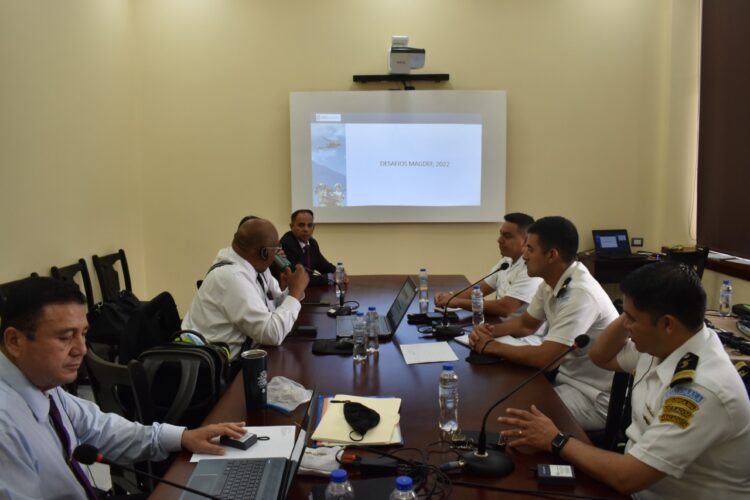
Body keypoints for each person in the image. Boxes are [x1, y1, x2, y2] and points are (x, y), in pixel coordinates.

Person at [496, 262, 750, 498]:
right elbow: (600, 356)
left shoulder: (700, 388)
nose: (625, 325)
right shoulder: (665, 344)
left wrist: (556, 439)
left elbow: (628, 477)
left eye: (632, 319)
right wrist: (634, 309)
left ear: (667, 324)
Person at [0, 277, 246, 499]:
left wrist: (183, 437)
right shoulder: (5, 428)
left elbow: (102, 429)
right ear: (14, 341)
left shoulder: (41, 382)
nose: (81, 349)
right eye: (65, 338)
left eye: (83, 334)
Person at [468, 216, 618, 430]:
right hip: (567, 382)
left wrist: (490, 346)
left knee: (506, 414)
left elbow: (547, 359)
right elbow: (526, 324)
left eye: (530, 249)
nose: (524, 255)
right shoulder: (552, 281)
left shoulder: (580, 294)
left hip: (593, 398)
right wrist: (488, 332)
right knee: (498, 397)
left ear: (552, 255)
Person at [182, 217, 309, 360]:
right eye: (276, 249)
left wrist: (291, 290)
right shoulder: (232, 277)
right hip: (222, 365)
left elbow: (272, 307)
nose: (277, 255)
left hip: (245, 352)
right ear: (264, 253)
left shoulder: (256, 268)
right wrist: (295, 293)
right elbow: (272, 334)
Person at [434, 213, 543, 343]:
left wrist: (456, 302)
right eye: (501, 234)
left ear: (526, 241)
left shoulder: (530, 270)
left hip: (521, 338)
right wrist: (450, 296)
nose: (499, 240)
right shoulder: (506, 261)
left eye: (507, 236)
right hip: (497, 326)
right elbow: (478, 289)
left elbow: (505, 308)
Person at [280, 209, 346, 287]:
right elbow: (300, 279)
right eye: (301, 225)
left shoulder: (312, 243)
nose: (306, 229)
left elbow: (323, 265)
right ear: (291, 226)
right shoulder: (286, 243)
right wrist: (331, 278)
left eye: (309, 225)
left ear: (313, 227)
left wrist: (340, 273)